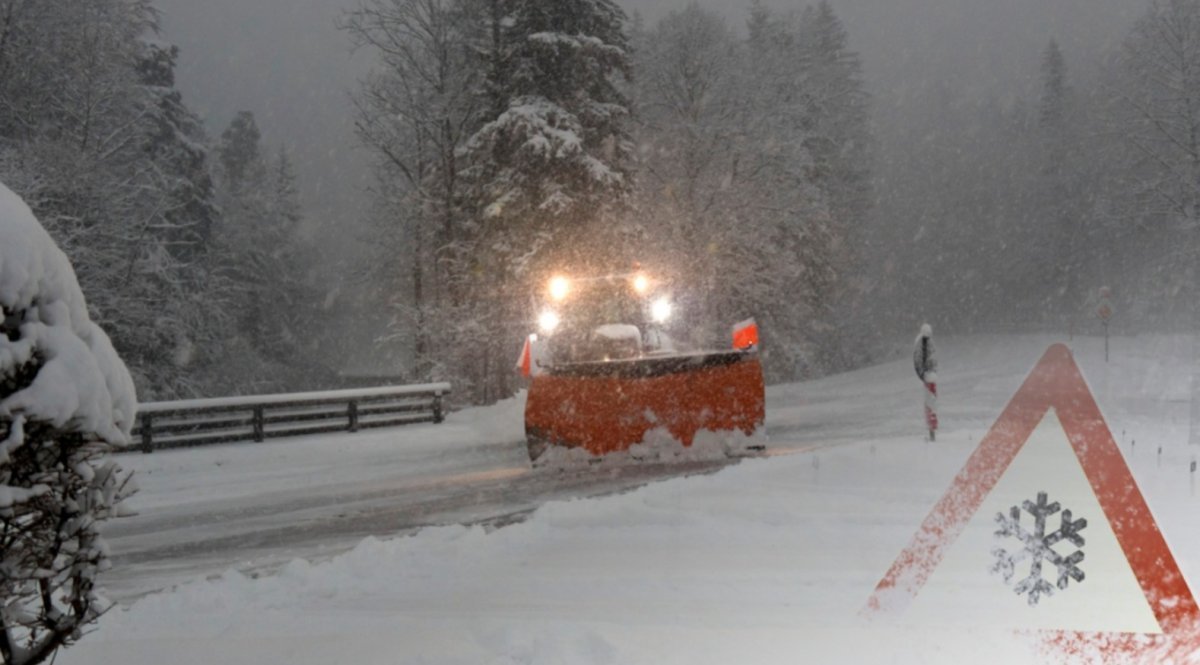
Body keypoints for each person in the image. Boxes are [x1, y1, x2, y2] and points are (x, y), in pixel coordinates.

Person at [913, 324, 938, 441]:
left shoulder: (928, 343)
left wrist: (933, 372)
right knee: (930, 404)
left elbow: (933, 358)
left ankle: (932, 428)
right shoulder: (921, 343)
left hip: (930, 377)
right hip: (928, 377)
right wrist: (923, 375)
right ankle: (931, 429)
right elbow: (918, 360)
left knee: (931, 403)